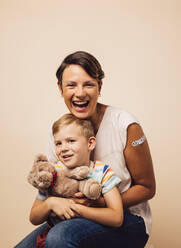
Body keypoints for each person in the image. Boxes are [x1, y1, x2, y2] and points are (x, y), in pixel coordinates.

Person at [14, 51, 156, 248]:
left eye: (88, 84)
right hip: (73, 216)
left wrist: (99, 203)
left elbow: (147, 187)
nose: (80, 93)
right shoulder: (60, 132)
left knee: (59, 237)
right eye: (71, 85)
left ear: (100, 86)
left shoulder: (125, 124)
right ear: (60, 88)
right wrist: (53, 204)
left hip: (128, 220)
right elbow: (49, 192)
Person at [35, 113, 123, 228]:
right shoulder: (53, 172)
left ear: (90, 143)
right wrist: (50, 203)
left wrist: (78, 209)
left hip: (88, 230)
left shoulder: (101, 171)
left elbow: (117, 218)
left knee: (58, 236)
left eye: (71, 141)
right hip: (56, 230)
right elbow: (34, 217)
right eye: (58, 143)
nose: (64, 148)